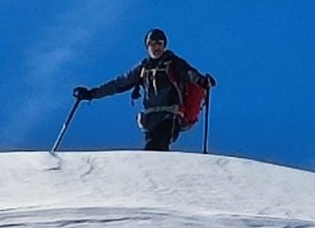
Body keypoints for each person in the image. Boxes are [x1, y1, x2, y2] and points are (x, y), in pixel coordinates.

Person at [73, 28, 216, 151]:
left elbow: (189, 73)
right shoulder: (143, 68)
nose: (156, 47)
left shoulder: (174, 63)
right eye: (152, 44)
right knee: (153, 148)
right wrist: (91, 94)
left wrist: (201, 81)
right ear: (147, 47)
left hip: (170, 116)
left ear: (164, 45)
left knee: (154, 147)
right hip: (151, 118)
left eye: (159, 43)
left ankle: (155, 176)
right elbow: (118, 84)